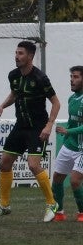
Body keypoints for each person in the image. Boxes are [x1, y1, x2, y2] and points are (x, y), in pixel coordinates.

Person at [0, 40, 61, 223]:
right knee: (4, 162)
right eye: (16, 53)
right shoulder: (13, 75)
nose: (16, 56)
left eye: (20, 53)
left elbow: (56, 103)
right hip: (20, 125)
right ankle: (4, 205)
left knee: (33, 165)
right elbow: (15, 94)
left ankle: (52, 204)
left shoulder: (40, 78)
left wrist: (49, 125)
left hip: (37, 127)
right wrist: (2, 105)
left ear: (30, 56)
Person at [51, 66, 83, 222]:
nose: (72, 80)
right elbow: (72, 121)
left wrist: (68, 132)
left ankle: (82, 213)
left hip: (82, 149)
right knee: (57, 178)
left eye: (76, 77)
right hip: (69, 145)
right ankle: (59, 212)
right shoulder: (72, 99)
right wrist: (65, 132)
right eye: (71, 76)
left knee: (75, 181)